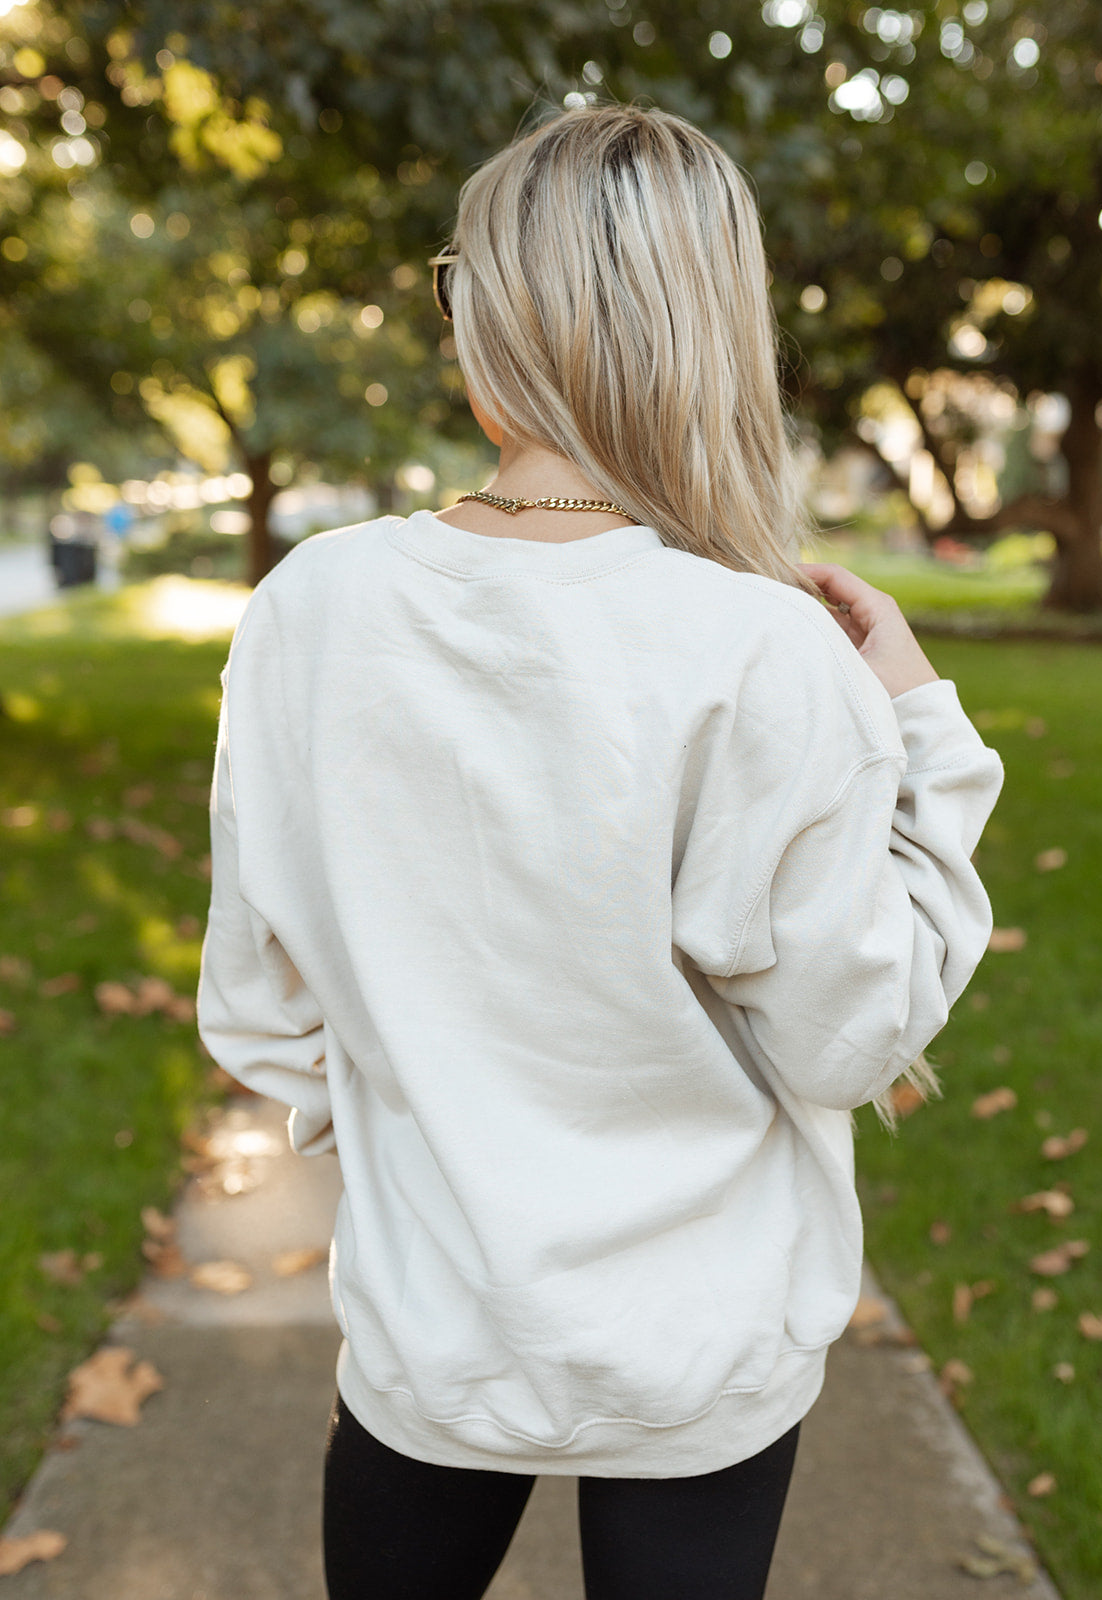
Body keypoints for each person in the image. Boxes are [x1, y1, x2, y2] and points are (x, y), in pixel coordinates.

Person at [196, 103, 1004, 1600]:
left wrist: (425, 1140)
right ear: (713, 325)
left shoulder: (309, 608)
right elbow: (855, 1033)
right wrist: (928, 738)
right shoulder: (765, 648)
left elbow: (262, 1007)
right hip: (699, 1355)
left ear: (484, 314)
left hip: (431, 1332)